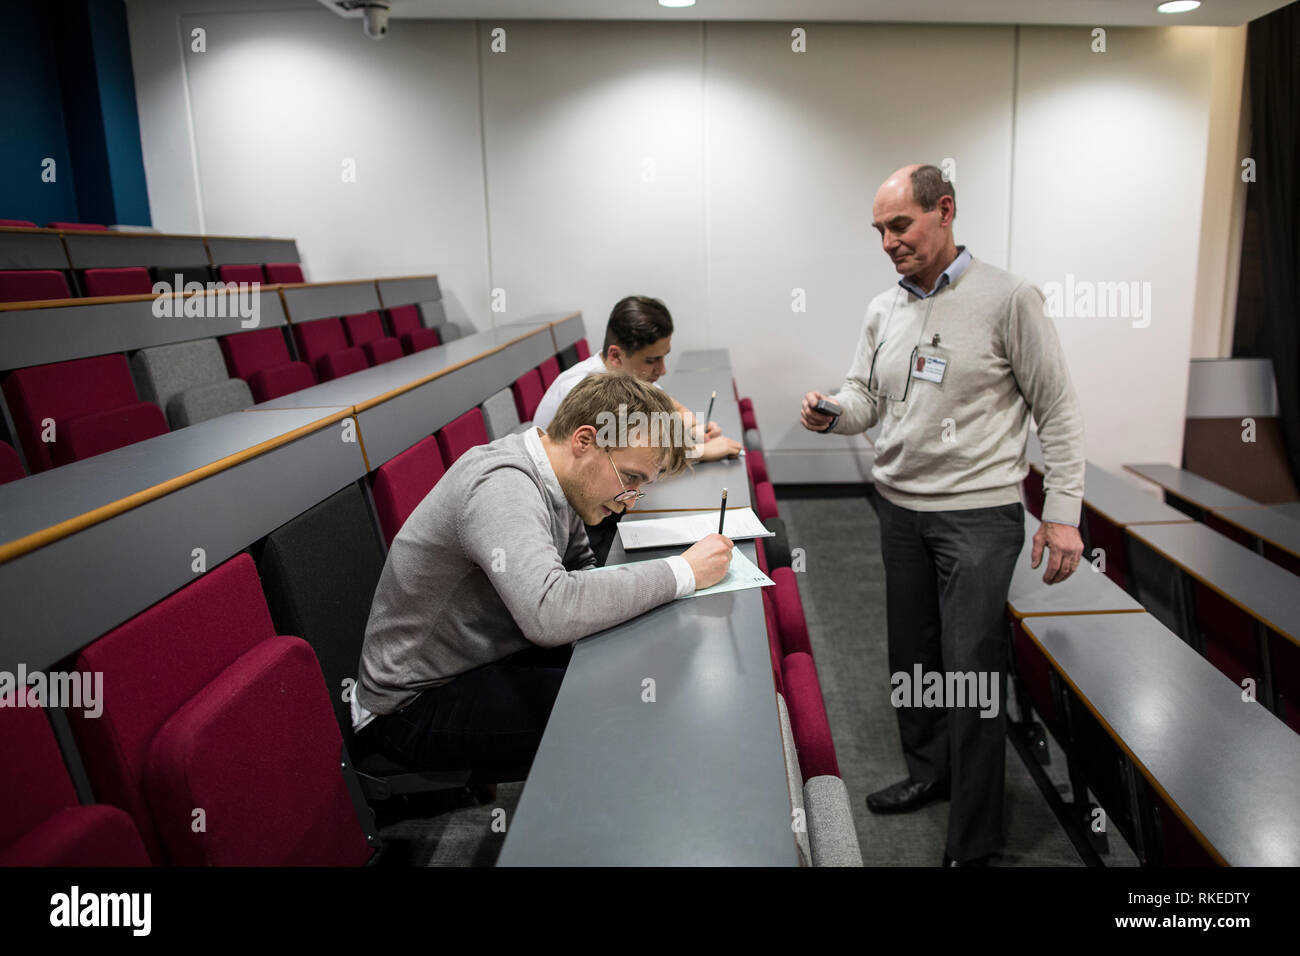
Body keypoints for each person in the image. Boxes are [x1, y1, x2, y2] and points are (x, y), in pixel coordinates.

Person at [800, 163, 1085, 866]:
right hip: (899, 511)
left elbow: (1059, 409)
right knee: (914, 660)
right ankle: (929, 772)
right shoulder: (883, 309)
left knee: (972, 675)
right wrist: (835, 414)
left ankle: (976, 838)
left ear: (945, 211)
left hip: (978, 518)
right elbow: (867, 398)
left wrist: (1064, 512)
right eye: (880, 230)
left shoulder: (1009, 299)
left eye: (901, 225)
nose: (889, 241)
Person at [353, 371, 734, 776]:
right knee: (625, 706)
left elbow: (581, 571)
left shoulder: (561, 478)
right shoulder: (502, 488)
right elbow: (549, 612)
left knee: (635, 667)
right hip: (412, 703)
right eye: (631, 478)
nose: (630, 499)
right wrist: (682, 572)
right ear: (584, 441)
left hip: (489, 654)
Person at [536, 295, 743, 562]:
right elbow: (636, 459)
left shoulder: (628, 377)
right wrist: (701, 450)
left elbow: (673, 410)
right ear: (615, 355)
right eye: (651, 360)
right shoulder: (587, 386)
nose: (662, 369)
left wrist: (695, 427)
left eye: (664, 357)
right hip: (571, 524)